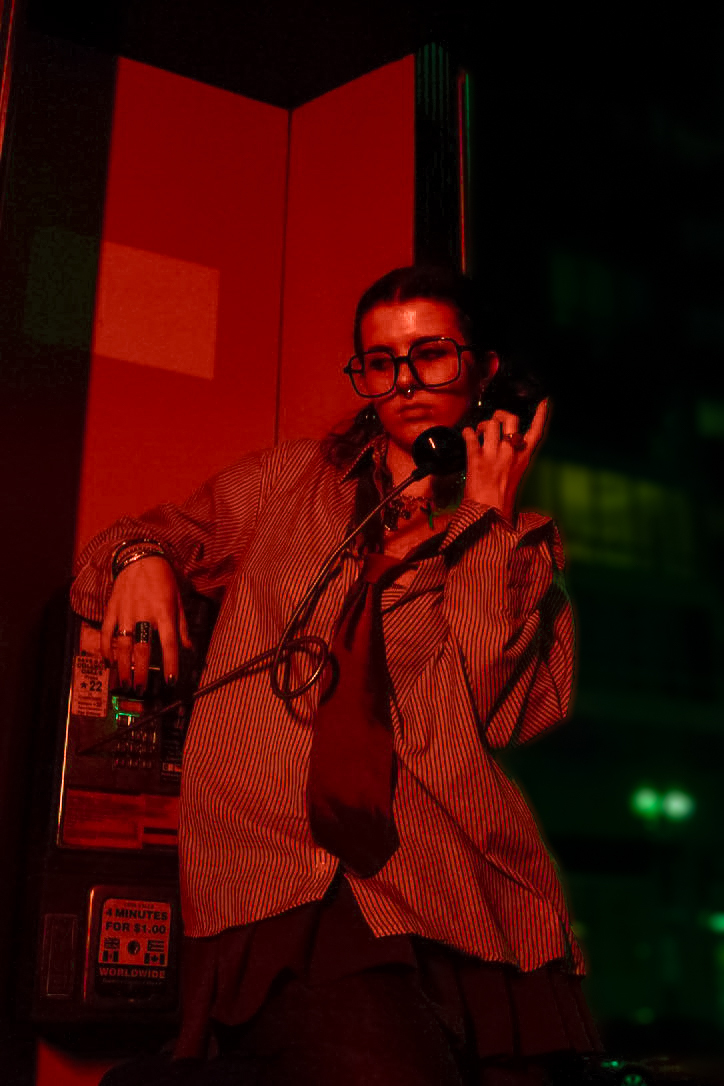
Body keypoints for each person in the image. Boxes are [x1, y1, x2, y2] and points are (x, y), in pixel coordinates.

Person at [72, 265, 603, 1085]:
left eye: (431, 355)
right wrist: (140, 558)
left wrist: (486, 516)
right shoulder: (286, 483)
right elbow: (115, 553)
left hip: (458, 878)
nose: (405, 382)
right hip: (283, 865)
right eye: (381, 363)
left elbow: (494, 707)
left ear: (484, 369)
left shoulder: (517, 543)